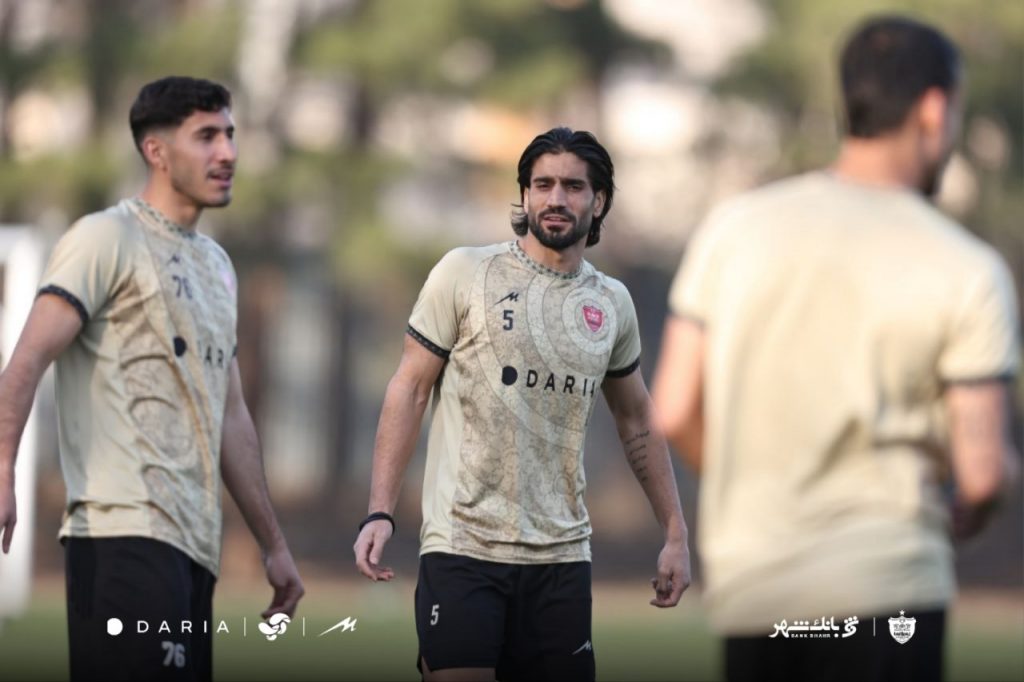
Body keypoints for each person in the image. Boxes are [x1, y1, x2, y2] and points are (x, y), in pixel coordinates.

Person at [651, 15, 1020, 682]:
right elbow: (983, 472)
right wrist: (989, 489)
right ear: (934, 110)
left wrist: (760, 487)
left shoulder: (734, 230)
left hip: (757, 591)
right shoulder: (967, 267)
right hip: (889, 592)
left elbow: (673, 410)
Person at [353, 126, 691, 681]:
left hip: (562, 560)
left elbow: (636, 419)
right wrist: (380, 511)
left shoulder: (612, 303)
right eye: (542, 184)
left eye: (573, 187)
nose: (556, 198)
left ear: (599, 201)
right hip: (463, 547)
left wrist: (674, 532)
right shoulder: (465, 272)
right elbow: (409, 388)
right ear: (525, 194)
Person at [0, 76, 304, 681]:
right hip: (121, 534)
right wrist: (2, 468)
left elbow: (230, 416)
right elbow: (26, 361)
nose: (228, 152)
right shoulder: (104, 238)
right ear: (156, 151)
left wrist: (273, 544)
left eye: (230, 134)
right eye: (207, 136)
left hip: (194, 548)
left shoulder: (217, 266)